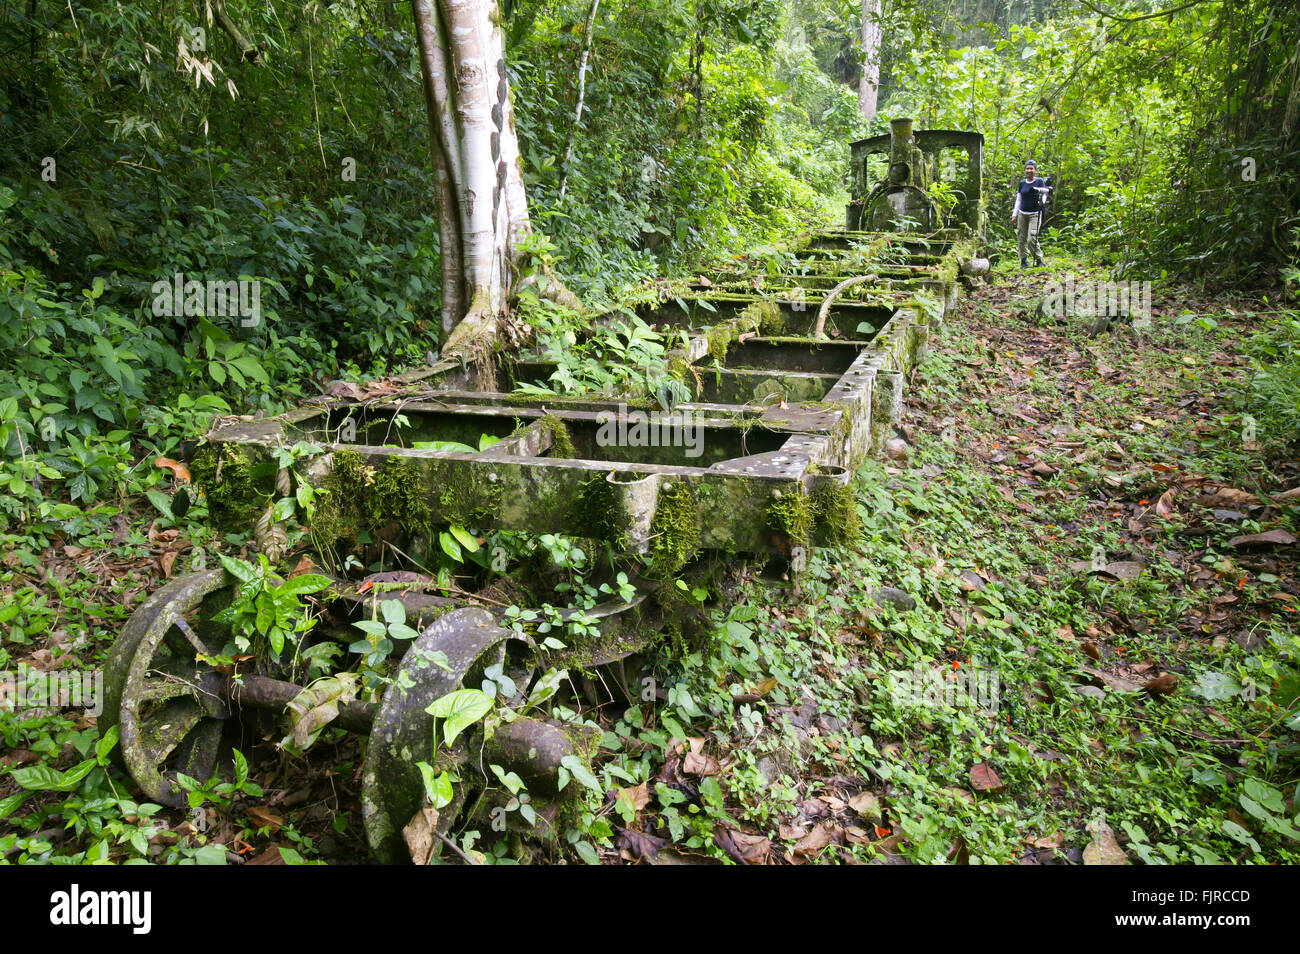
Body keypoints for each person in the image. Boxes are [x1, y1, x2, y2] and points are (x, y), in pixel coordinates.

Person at [1011, 160, 1048, 269]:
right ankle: (1024, 261)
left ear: (1035, 170)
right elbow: (1019, 199)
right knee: (1021, 238)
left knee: (1032, 237)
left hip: (1035, 214)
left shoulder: (1039, 181)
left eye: (1031, 168)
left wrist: (1042, 202)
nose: (1029, 171)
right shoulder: (1022, 183)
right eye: (1027, 168)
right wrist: (1014, 214)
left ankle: (1038, 259)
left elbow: (1044, 193)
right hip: (1022, 213)